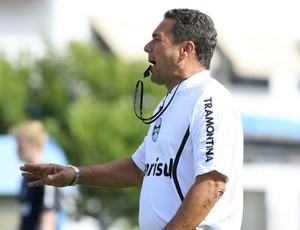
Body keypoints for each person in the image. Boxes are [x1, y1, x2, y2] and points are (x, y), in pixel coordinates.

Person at [20, 8, 244, 230]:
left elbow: (212, 184)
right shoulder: (172, 100)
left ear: (186, 49)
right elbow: (138, 168)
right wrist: (75, 174)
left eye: (157, 40)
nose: (147, 47)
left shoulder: (209, 98)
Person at [11, 120, 61, 230]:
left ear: (34, 145)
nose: (17, 149)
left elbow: (48, 219)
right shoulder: (25, 179)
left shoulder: (48, 177)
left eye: (20, 144)